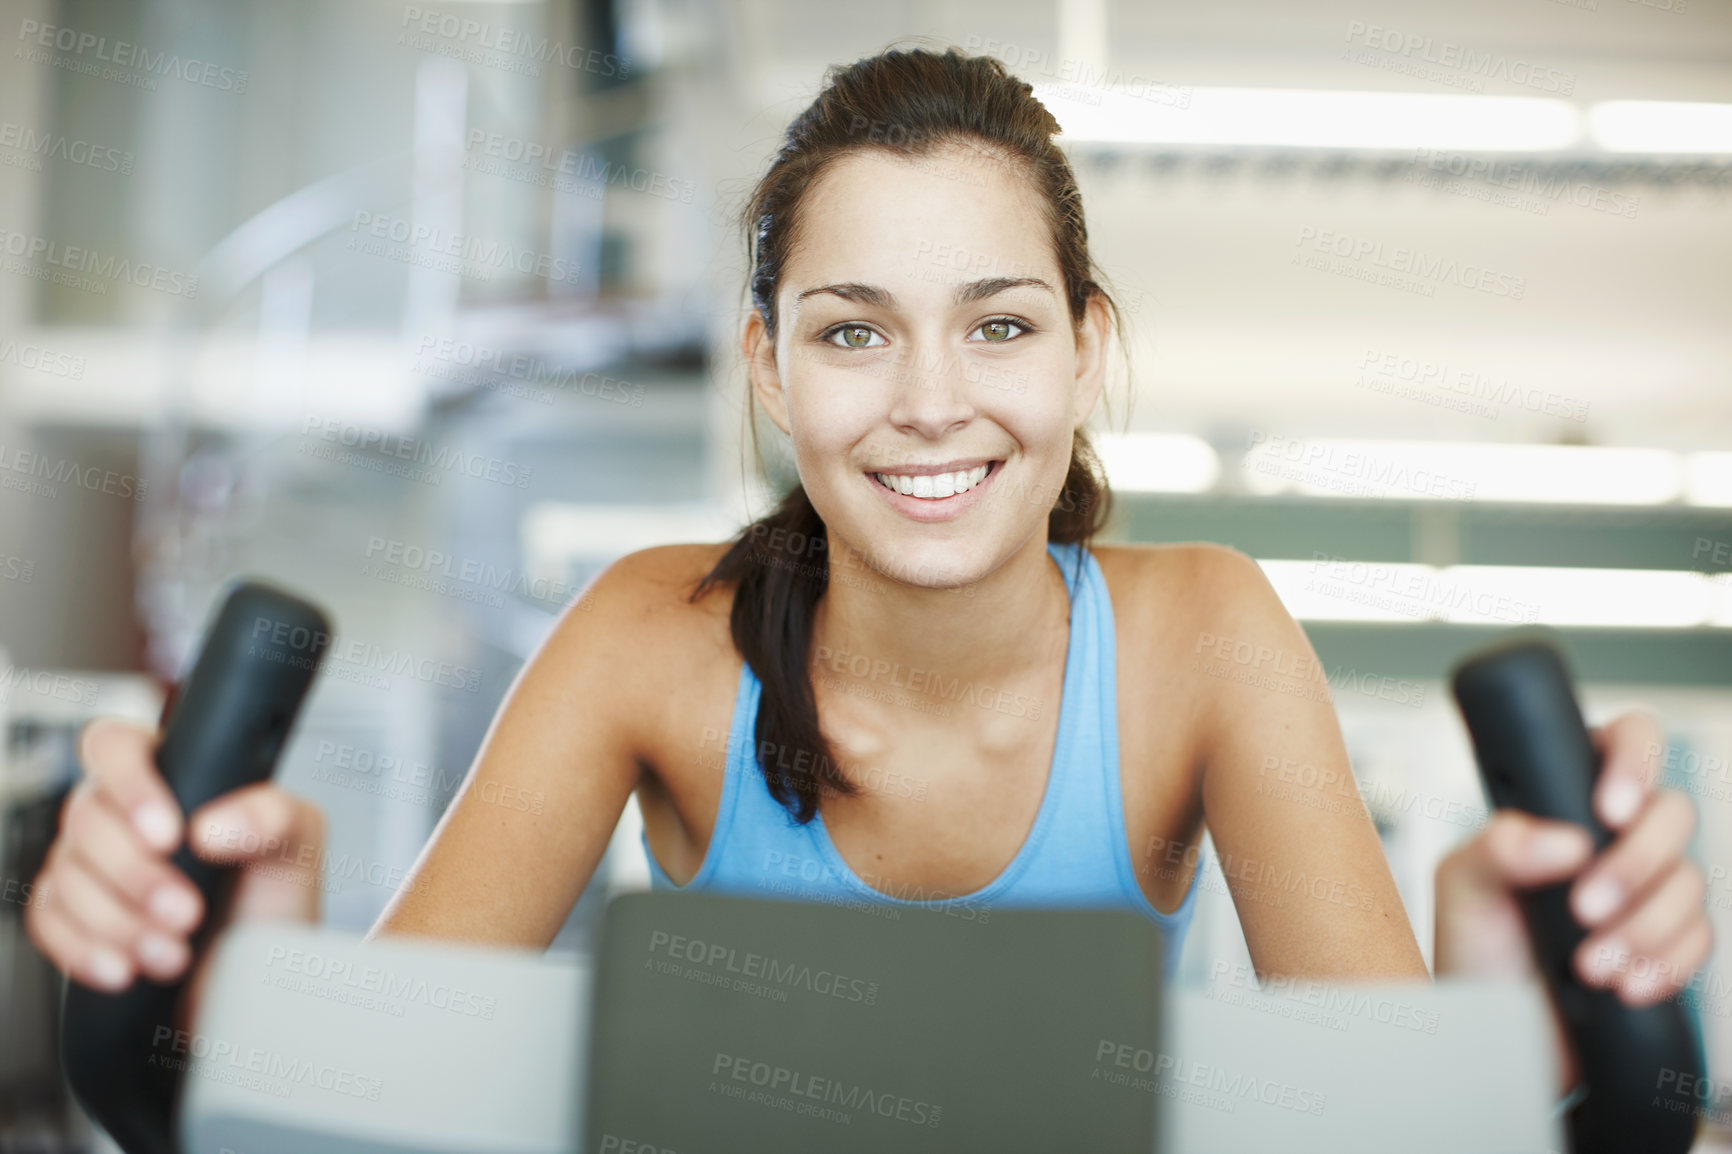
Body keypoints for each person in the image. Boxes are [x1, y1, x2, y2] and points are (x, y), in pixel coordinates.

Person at [25, 47, 1711, 1097]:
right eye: (852, 330)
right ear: (769, 369)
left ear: (1081, 349)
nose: (930, 402)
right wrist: (219, 1011)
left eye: (998, 322)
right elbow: (348, 1109)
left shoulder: (1205, 635)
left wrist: (1505, 1063)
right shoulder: (649, 638)